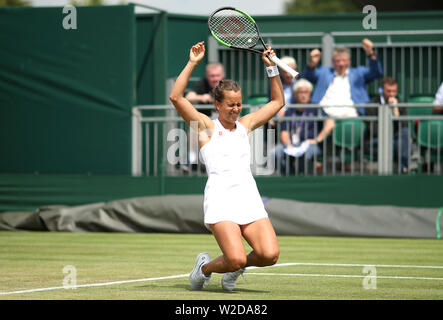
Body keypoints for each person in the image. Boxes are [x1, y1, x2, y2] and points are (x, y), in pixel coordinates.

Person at [169, 41, 284, 291]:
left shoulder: (246, 125)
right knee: (235, 258)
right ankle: (203, 269)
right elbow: (176, 97)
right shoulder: (206, 127)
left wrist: (272, 68)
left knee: (269, 255)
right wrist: (192, 63)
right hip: (221, 200)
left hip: (248, 198)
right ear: (218, 104)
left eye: (238, 103)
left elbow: (277, 103)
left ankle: (234, 270)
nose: (235, 108)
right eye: (230, 104)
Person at [302, 39, 383, 118]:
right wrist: (312, 63)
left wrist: (370, 53)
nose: (341, 64)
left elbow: (376, 72)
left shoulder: (358, 73)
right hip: (323, 116)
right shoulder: (325, 72)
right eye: (338, 61)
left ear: (349, 61)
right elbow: (307, 76)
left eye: (344, 60)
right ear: (333, 61)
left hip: (352, 116)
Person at [274, 79, 335, 174]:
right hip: (293, 145)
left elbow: (330, 123)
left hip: (310, 145)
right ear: (295, 94)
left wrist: (317, 139)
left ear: (310, 94)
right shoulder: (290, 110)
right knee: (275, 152)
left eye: (306, 92)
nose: (303, 95)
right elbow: (284, 132)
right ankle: (288, 176)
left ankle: (303, 179)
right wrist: (288, 144)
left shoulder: (315, 108)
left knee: (305, 154)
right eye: (300, 92)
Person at [365, 77, 411, 173]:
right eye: (388, 91)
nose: (391, 94)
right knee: (403, 145)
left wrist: (396, 110)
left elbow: (403, 127)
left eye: (394, 91)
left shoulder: (400, 104)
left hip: (396, 140)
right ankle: (404, 166)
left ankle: (403, 167)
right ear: (382, 90)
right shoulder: (372, 105)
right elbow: (373, 130)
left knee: (404, 135)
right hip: (376, 141)